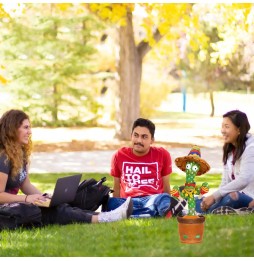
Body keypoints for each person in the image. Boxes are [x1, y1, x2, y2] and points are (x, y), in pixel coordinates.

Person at [0, 109, 133, 225]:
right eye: (25, 127)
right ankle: (105, 218)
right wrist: (26, 199)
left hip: (14, 206)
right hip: (5, 212)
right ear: (12, 129)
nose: (30, 132)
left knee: (58, 205)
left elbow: (25, 185)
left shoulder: (21, 155)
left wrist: (43, 197)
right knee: (55, 212)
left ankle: (106, 216)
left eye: (30, 127)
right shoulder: (3, 157)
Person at [105, 118, 186, 218]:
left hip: (153, 199)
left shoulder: (162, 154)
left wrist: (167, 200)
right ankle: (156, 213)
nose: (139, 140)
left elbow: (166, 186)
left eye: (144, 137)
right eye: (136, 135)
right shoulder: (119, 155)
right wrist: (116, 205)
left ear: (152, 140)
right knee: (110, 202)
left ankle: (164, 210)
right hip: (128, 202)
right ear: (131, 136)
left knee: (164, 198)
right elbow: (116, 187)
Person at [195, 110, 254, 214]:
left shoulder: (251, 148)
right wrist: (213, 198)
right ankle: (209, 209)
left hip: (250, 198)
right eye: (222, 126)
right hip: (235, 195)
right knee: (196, 200)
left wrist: (214, 197)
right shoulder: (230, 149)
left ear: (239, 130)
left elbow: (244, 179)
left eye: (227, 127)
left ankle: (206, 211)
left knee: (232, 196)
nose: (222, 130)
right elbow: (225, 182)